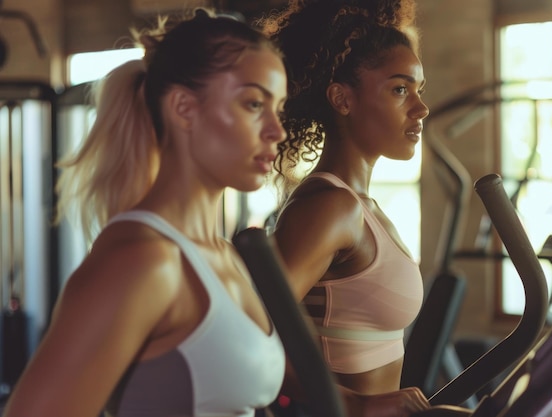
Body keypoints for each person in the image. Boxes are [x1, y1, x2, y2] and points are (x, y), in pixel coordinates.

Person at [2, 8, 289, 417]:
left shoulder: (224, 254)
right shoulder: (144, 260)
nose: (277, 130)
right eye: (254, 103)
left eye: (278, 107)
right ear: (184, 108)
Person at [259, 0, 430, 406]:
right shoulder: (331, 208)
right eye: (400, 89)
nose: (420, 108)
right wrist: (356, 406)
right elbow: (249, 337)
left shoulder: (360, 206)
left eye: (419, 90)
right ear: (342, 98)